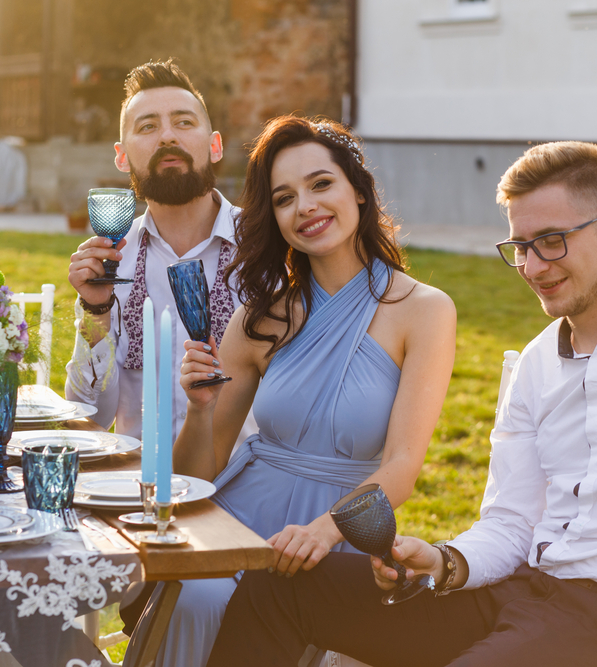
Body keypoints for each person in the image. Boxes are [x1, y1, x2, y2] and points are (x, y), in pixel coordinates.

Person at [205, 141, 597, 667]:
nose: (533, 268)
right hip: (519, 593)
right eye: (520, 247)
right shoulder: (539, 366)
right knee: (277, 588)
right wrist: (443, 561)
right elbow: (512, 523)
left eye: (551, 242)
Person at [152, 115, 456, 667]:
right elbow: (194, 478)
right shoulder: (260, 318)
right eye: (285, 197)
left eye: (321, 184)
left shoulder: (425, 311)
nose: (306, 207)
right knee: (196, 596)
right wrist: (200, 411)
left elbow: (404, 466)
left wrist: (321, 533)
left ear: (358, 192)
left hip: (340, 527)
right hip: (240, 512)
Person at [65, 59, 254, 443]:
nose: (167, 137)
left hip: (247, 489)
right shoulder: (112, 261)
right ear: (122, 157)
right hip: (139, 488)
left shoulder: (266, 249)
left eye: (184, 122)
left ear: (214, 145)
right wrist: (95, 312)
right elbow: (91, 420)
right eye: (148, 126)